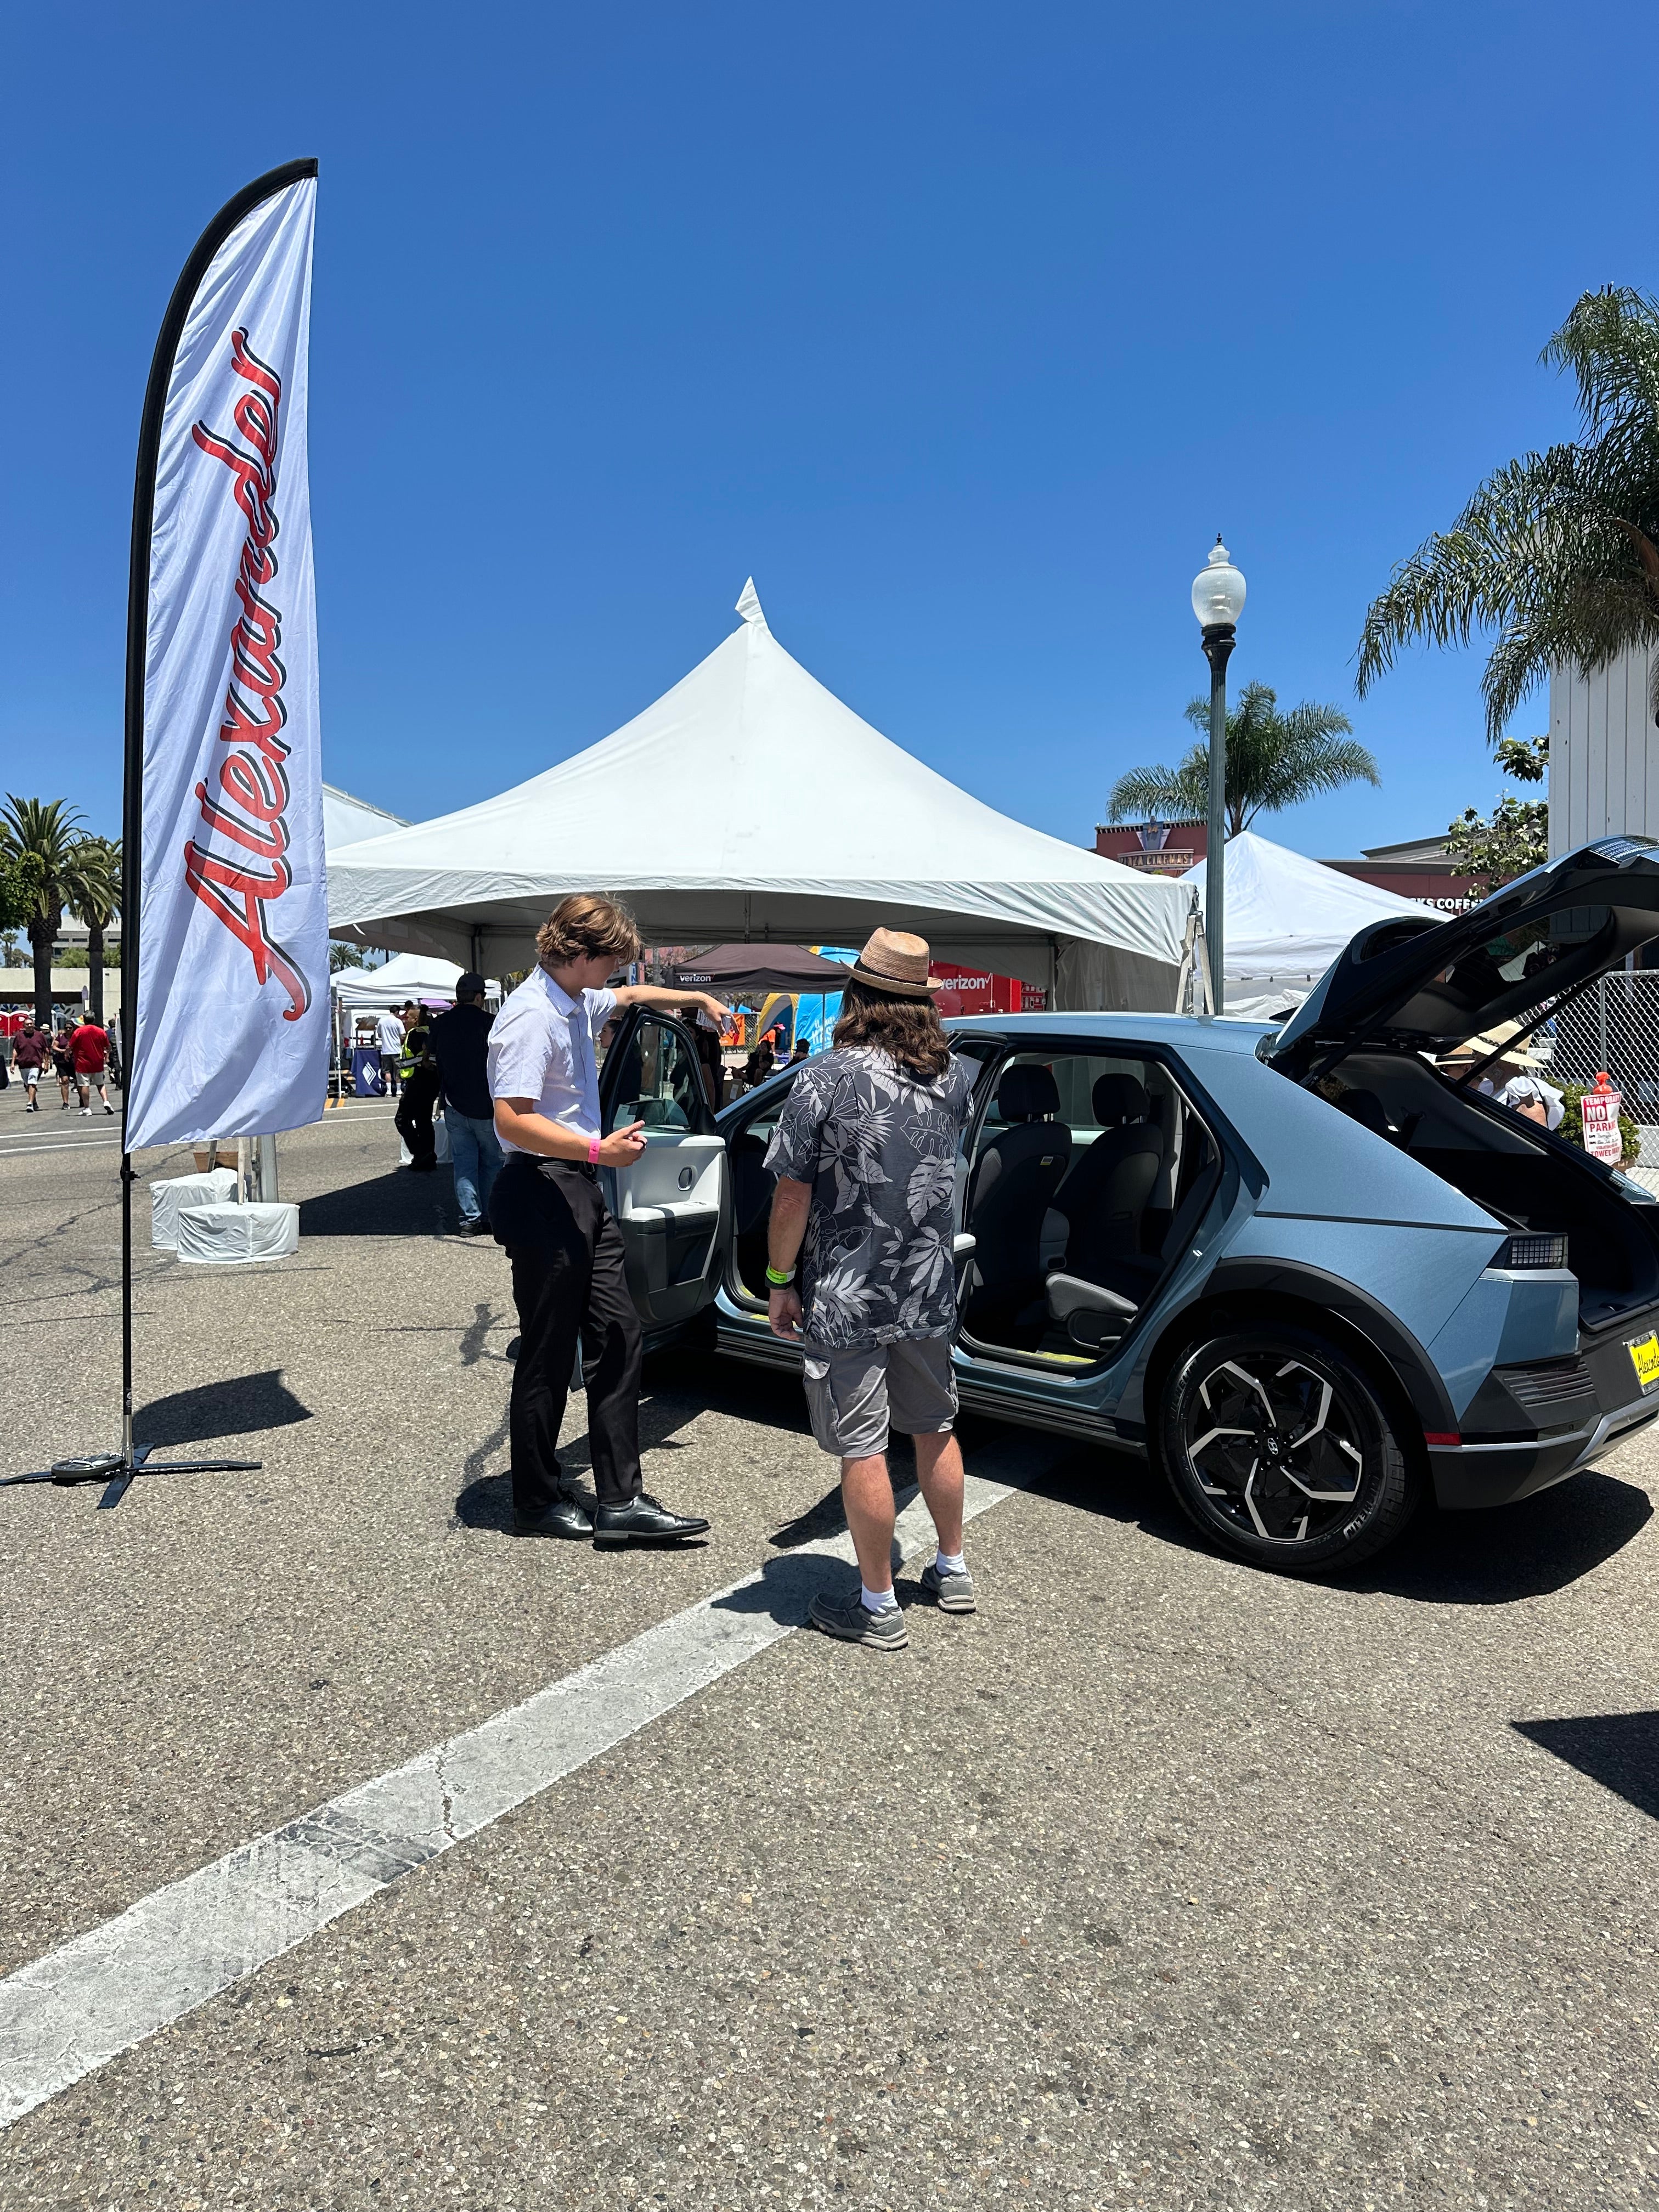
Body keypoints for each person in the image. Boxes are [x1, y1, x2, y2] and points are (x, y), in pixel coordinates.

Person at [488, 891, 729, 1547]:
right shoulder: (530, 1016)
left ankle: (620, 1500)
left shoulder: (576, 999)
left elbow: (628, 1001)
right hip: (542, 1188)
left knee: (619, 1333)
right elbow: (511, 1119)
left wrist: (696, 1002)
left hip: (576, 1188)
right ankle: (534, 1500)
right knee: (546, 1351)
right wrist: (598, 1149)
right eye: (612, 959)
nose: (618, 972)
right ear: (581, 954)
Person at [764, 929, 978, 1651]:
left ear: (859, 995)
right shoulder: (955, 1078)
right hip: (926, 1286)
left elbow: (792, 1196)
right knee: (935, 1428)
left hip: (848, 1294)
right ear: (921, 1003)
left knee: (863, 1448)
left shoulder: (824, 1077)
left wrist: (779, 1281)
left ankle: (877, 1605)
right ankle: (951, 1569)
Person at [430, 973, 501, 1234]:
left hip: (454, 1104)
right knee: (493, 1163)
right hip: (487, 1106)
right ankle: (492, 1217)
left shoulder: (441, 1024)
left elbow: (430, 1060)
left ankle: (470, 1219)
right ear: (480, 997)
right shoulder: (492, 1023)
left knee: (464, 1164)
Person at [395, 1006, 439, 1170]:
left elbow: (425, 1050)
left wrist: (426, 1058)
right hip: (431, 1082)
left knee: (402, 1120)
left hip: (418, 1081)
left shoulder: (417, 1033)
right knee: (424, 1120)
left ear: (415, 1019)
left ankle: (421, 1153)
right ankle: (427, 1157)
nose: (405, 1021)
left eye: (408, 1018)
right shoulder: (432, 1031)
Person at [68, 1013, 115, 1115]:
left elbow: (70, 1046)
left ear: (84, 1020)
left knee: (84, 1085)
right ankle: (106, 1101)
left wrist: (66, 1053)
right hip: (97, 1062)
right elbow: (108, 1046)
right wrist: (106, 1054)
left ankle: (87, 1108)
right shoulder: (100, 1031)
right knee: (101, 1084)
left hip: (82, 1063)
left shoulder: (79, 1032)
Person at [10, 1018, 49, 1111]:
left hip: (36, 1064)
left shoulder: (40, 1036)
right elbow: (16, 1050)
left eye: (31, 1024)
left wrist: (47, 1063)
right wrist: (13, 1063)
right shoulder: (19, 1037)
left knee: (32, 1082)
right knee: (28, 1085)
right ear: (24, 1026)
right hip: (23, 1064)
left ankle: (30, 1104)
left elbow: (46, 1050)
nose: (30, 1026)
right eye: (27, 1024)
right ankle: (34, 1101)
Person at [375, 1006, 405, 1097]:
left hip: (385, 1050)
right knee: (398, 1071)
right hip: (396, 1050)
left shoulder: (382, 1021)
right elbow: (403, 1035)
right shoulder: (398, 1021)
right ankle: (399, 1091)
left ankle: (388, 1091)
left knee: (387, 1071)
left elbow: (380, 1035)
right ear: (397, 1012)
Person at [50, 1023, 75, 1109]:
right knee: (65, 1081)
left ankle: (82, 1100)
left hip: (74, 1062)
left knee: (78, 1081)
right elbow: (54, 1047)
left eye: (70, 1028)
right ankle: (65, 1103)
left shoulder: (76, 1036)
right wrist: (63, 1051)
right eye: (66, 1028)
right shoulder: (61, 1037)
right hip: (62, 1062)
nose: (68, 1030)